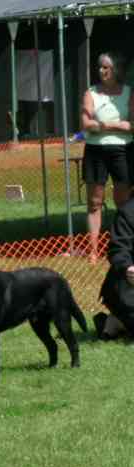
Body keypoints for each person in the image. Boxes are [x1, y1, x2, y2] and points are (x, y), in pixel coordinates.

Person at [80, 51, 134, 264]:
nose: (101, 71)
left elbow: (132, 126)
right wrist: (117, 125)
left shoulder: (129, 92)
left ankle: (122, 246)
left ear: (116, 71)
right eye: (100, 67)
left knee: (123, 201)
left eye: (106, 67)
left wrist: (101, 125)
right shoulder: (90, 93)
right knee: (94, 202)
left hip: (123, 151)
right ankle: (93, 252)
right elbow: (85, 125)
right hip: (95, 152)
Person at [97, 195, 134, 340]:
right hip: (128, 283)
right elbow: (118, 250)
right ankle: (116, 321)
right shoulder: (128, 212)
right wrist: (128, 267)